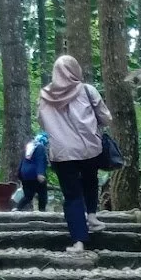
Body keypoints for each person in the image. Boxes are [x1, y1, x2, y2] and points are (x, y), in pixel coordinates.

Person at [37, 55, 111, 253]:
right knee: (90, 180)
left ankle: (78, 241)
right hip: (89, 148)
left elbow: (42, 122)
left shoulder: (45, 95)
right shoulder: (87, 90)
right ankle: (92, 216)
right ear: (75, 69)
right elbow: (106, 117)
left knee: (72, 195)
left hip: (62, 152)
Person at [16, 132, 50, 212]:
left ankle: (17, 209)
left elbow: (23, 161)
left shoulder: (30, 146)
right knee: (43, 194)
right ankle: (42, 211)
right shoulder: (40, 147)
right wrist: (40, 173)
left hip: (25, 174)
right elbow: (40, 161)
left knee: (28, 196)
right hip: (35, 174)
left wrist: (19, 174)